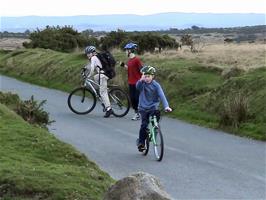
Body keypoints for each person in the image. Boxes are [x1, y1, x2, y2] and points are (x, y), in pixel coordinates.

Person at [136, 65, 172, 151]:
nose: (147, 78)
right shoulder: (142, 84)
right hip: (143, 108)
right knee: (144, 124)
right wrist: (141, 80)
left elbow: (162, 96)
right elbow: (137, 87)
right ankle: (141, 142)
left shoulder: (156, 85)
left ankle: (155, 132)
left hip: (153, 107)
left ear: (153, 76)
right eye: (145, 76)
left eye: (149, 76)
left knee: (156, 119)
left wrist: (166, 106)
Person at [84, 45, 113, 118]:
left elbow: (92, 69)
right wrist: (84, 68)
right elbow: (90, 66)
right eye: (86, 53)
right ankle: (102, 90)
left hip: (104, 75)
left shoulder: (93, 57)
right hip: (104, 74)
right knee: (95, 77)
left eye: (88, 53)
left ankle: (109, 109)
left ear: (92, 53)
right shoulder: (97, 56)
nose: (87, 55)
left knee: (102, 92)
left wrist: (88, 76)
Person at [120, 42, 142, 120]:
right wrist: (123, 65)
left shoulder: (137, 60)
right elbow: (129, 68)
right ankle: (137, 113)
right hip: (131, 82)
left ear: (131, 51)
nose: (125, 52)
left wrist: (142, 80)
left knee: (136, 98)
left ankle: (139, 113)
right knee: (132, 99)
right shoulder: (129, 60)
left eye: (126, 50)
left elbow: (142, 70)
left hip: (137, 82)